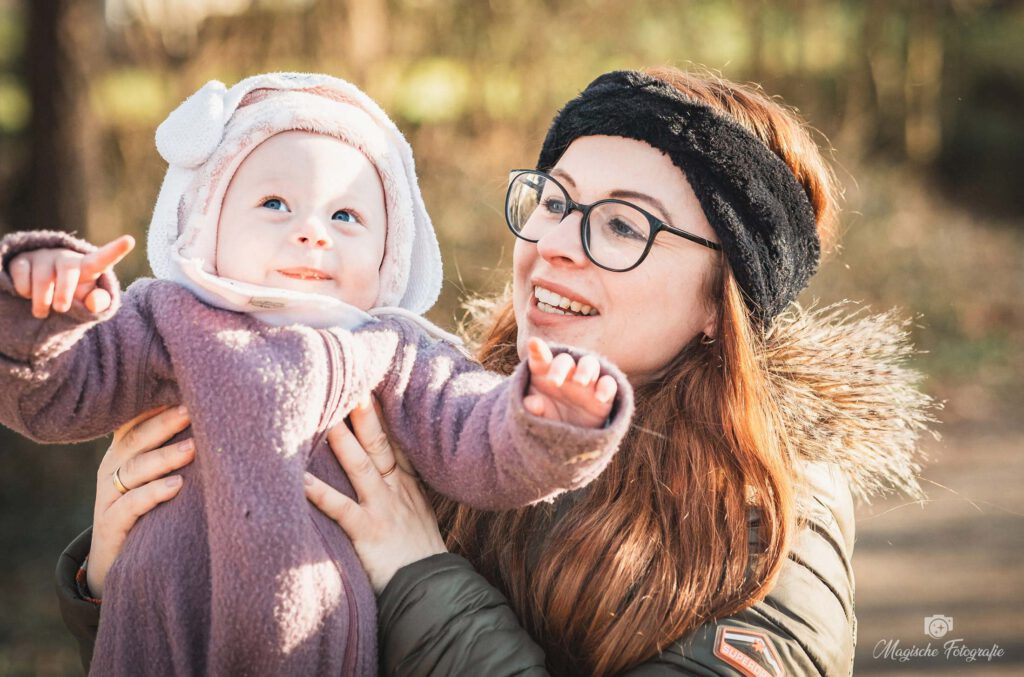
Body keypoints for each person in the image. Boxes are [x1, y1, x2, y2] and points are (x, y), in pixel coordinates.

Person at [54, 68, 934, 675]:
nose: (553, 245)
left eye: (622, 226)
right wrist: (112, 569)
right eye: (552, 202)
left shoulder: (773, 519)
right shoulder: (436, 411)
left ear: (719, 301)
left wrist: (417, 576)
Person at [0, 73, 638, 676]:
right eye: (275, 203)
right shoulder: (162, 318)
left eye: (345, 217)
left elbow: (477, 440)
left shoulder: (394, 351)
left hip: (315, 646)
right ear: (206, 223)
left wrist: (548, 419)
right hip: (154, 629)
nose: (311, 233)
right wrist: (40, 311)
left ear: (389, 253)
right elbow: (51, 396)